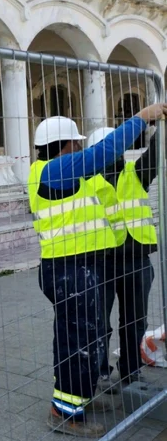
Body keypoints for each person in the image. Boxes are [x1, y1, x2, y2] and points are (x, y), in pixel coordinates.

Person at [29, 103, 166, 438]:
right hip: (69, 270)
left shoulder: (57, 171)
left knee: (81, 337)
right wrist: (141, 119)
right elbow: (101, 153)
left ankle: (78, 400)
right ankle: (66, 415)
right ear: (63, 145)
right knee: (78, 340)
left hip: (77, 267)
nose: (79, 147)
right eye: (75, 142)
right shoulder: (54, 170)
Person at [85, 125, 160, 394]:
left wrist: (161, 124)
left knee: (135, 320)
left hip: (136, 260)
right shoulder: (85, 181)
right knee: (99, 323)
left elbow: (157, 151)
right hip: (101, 262)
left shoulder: (134, 172)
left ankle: (130, 370)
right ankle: (101, 371)